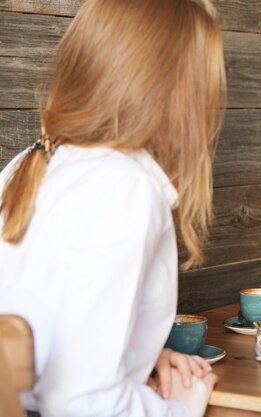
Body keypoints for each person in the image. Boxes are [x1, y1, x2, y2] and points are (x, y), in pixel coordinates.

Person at [0, 0, 226, 416]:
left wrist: (136, 353)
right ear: (177, 90)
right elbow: (82, 406)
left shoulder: (28, 164)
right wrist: (179, 409)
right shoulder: (125, 190)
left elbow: (51, 321)